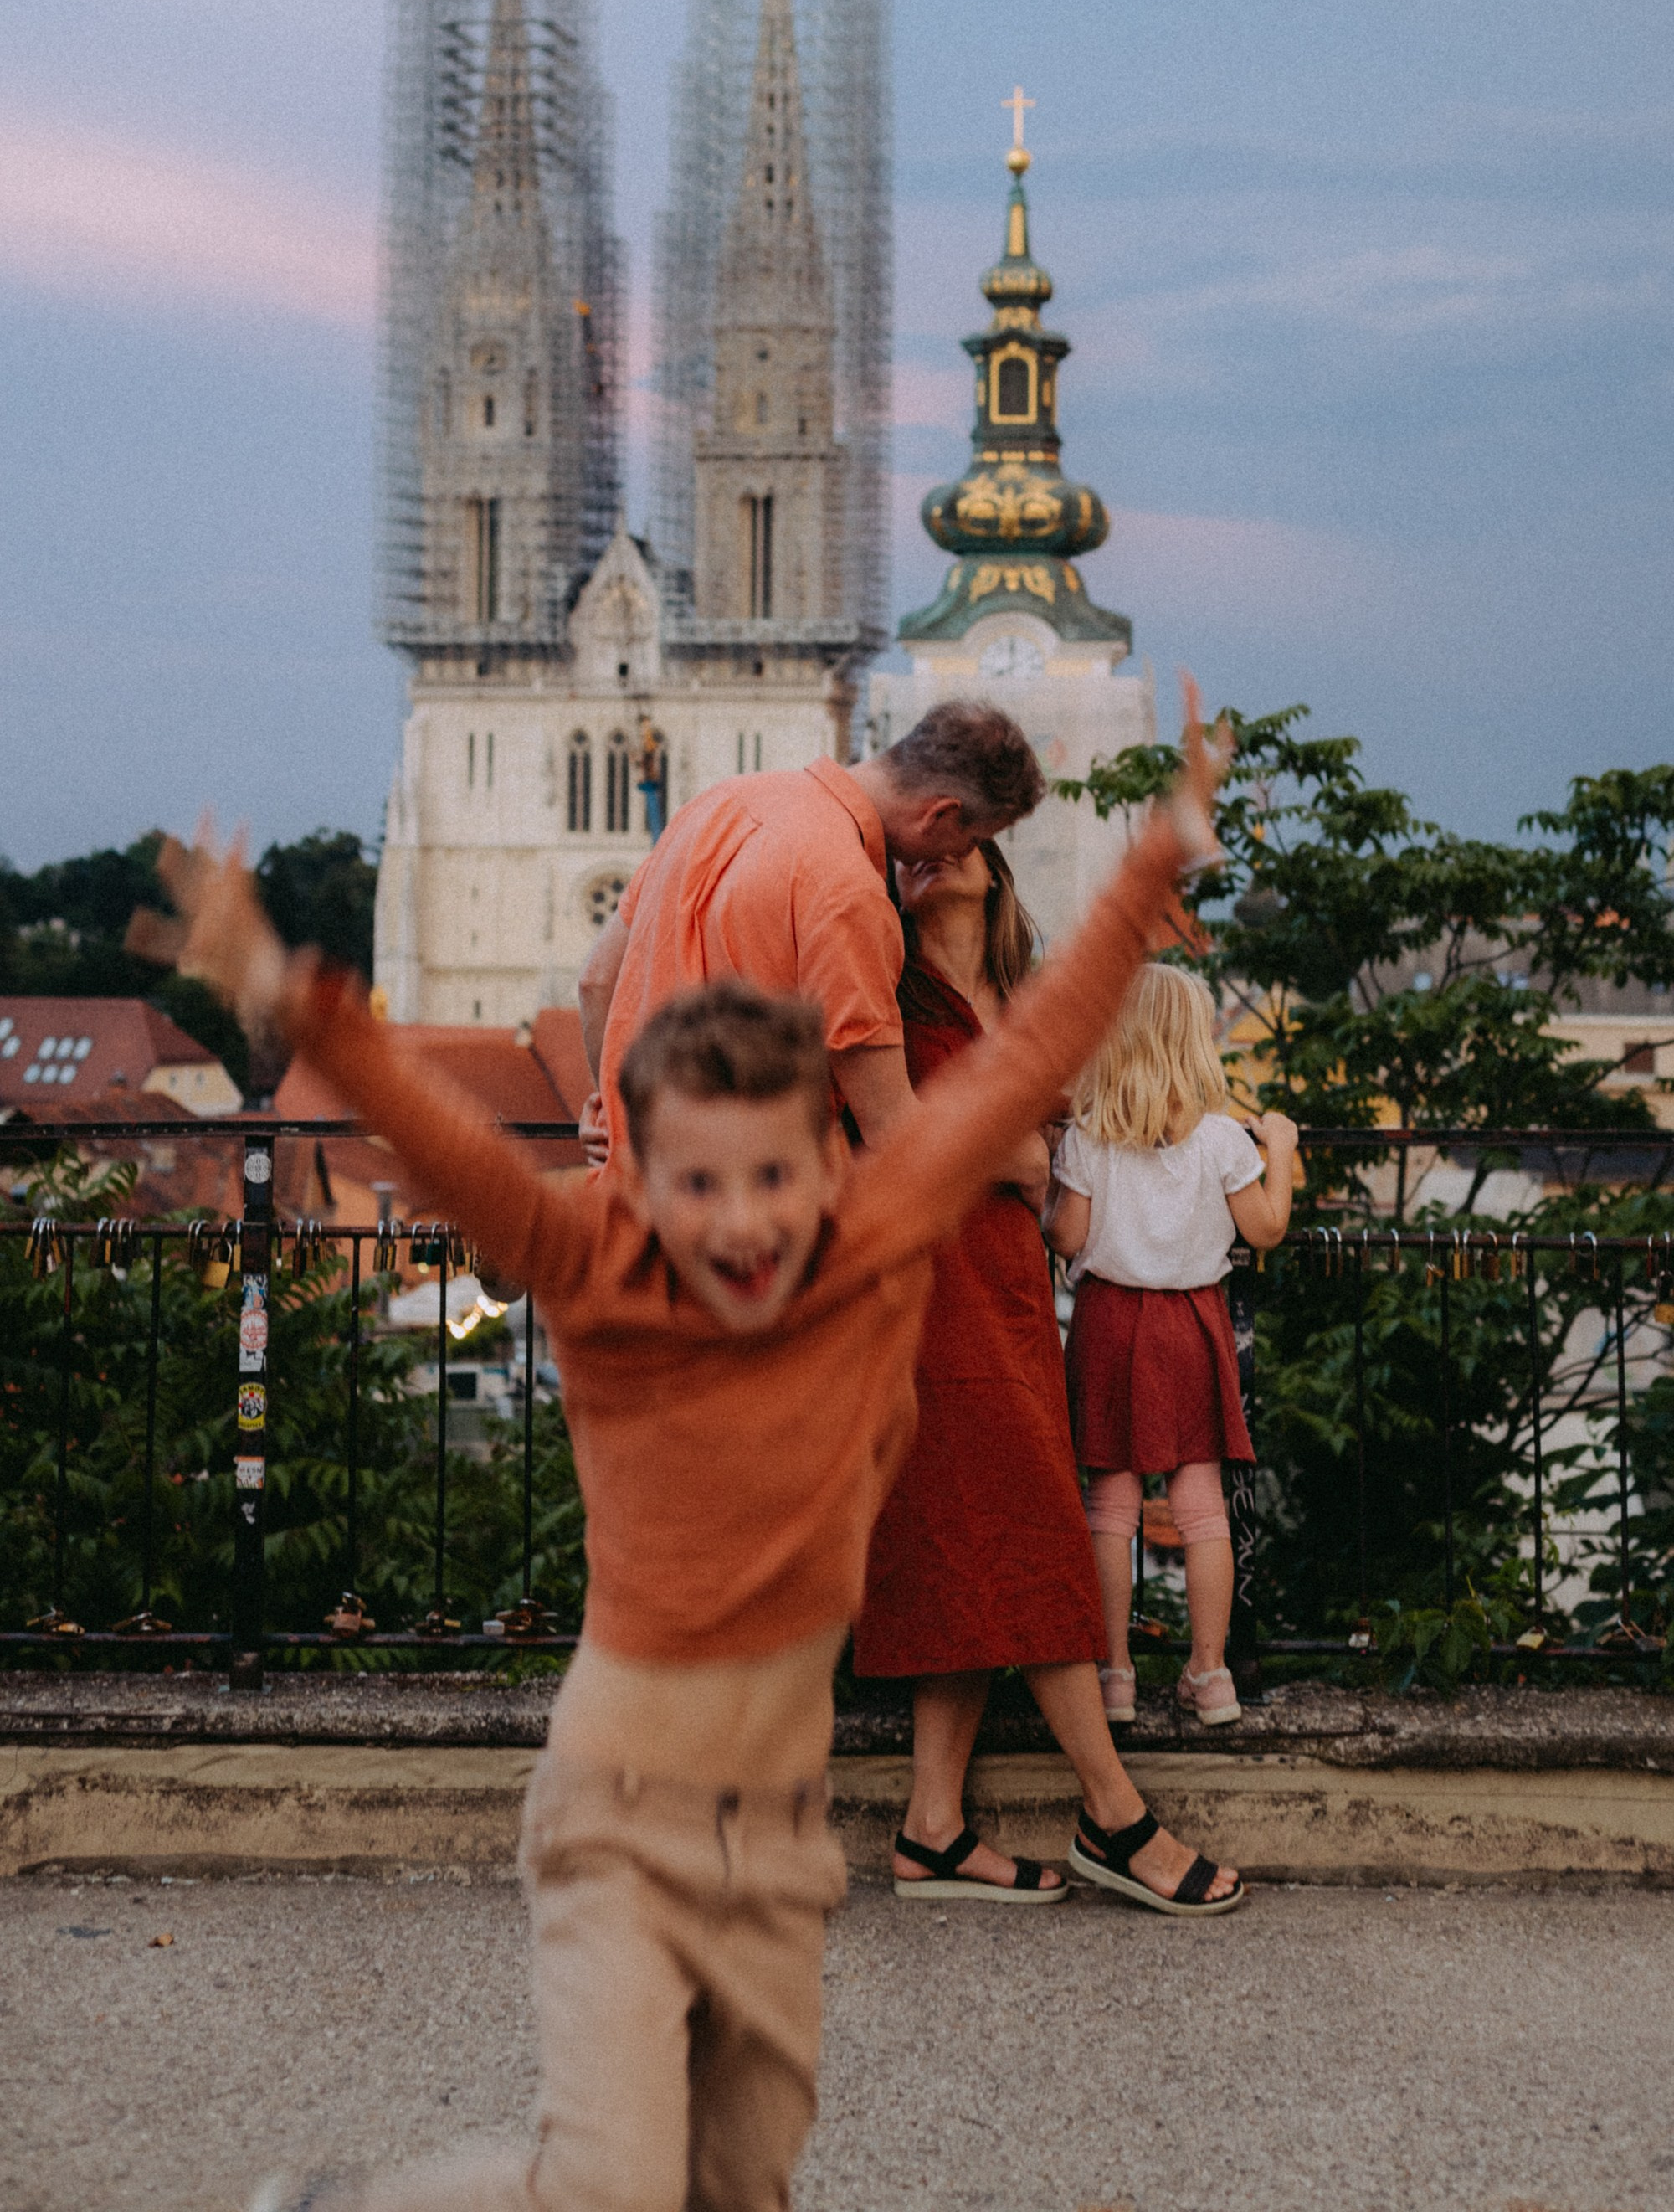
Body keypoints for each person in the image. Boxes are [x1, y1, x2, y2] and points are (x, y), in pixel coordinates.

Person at [152, 686, 1235, 2212]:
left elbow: (1017, 1061)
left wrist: (1151, 868)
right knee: (606, 2189)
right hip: (619, 1815)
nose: (740, 1222)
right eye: (699, 1183)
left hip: (779, 1854)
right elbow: (447, 1147)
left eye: (775, 1175)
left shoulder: (865, 1244)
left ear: (830, 1166)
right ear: (642, 1179)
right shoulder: (597, 1264)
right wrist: (284, 985)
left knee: (739, 2187)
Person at [855, 841, 1212, 1908]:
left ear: (997, 866)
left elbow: (1061, 1139)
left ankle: (931, 1828)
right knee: (1031, 1534)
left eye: (960, 836)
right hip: (929, 1289)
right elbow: (904, 1137)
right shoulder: (883, 986)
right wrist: (1008, 1150)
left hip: (1007, 1283)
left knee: (970, 1541)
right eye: (912, 848)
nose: (935, 852)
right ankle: (1115, 1816)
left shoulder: (1018, 991)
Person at [577, 700, 1047, 1164]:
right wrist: (1025, 1163)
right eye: (975, 839)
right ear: (940, 814)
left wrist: (619, 1118)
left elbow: (597, 982)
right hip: (745, 1210)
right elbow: (891, 1127)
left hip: (641, 1191)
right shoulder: (850, 895)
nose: (966, 851)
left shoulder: (718, 803)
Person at [1043, 964, 1298, 1731]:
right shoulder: (1223, 1139)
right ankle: (1211, 1674)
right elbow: (1267, 1230)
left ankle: (1114, 1678)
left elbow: (1065, 1236)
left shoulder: (1091, 1137)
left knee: (1110, 1504)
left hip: (1110, 1323)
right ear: (1196, 1043)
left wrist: (1055, 1178)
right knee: (1203, 1509)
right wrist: (1279, 1145)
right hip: (1194, 1324)